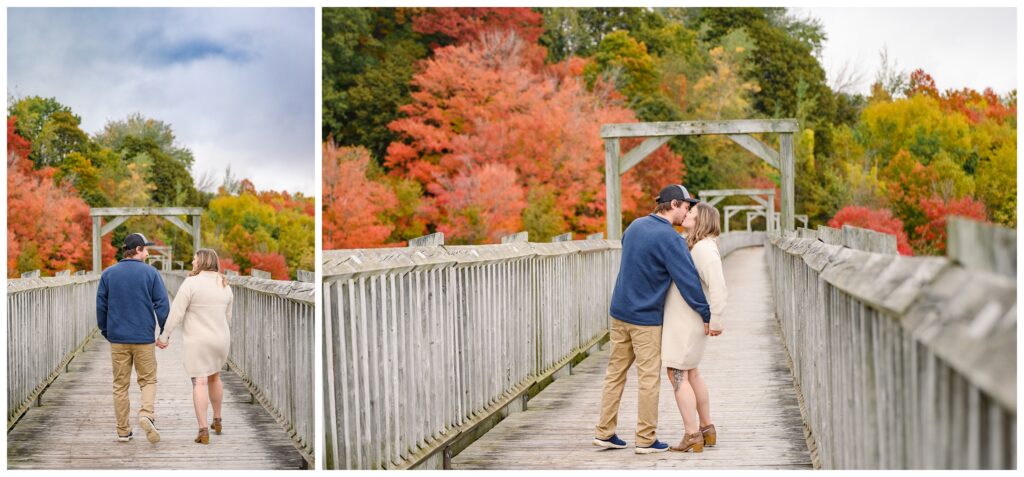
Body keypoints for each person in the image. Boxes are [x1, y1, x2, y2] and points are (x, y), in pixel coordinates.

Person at [594, 184, 711, 454]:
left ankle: (604, 432)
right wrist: (705, 312)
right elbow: (688, 280)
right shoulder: (670, 238)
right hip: (645, 317)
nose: (688, 213)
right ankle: (645, 438)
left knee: (615, 374)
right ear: (673, 205)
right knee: (648, 378)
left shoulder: (634, 226)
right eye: (686, 207)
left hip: (619, 312)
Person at [662, 202, 728, 453]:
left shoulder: (703, 249)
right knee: (691, 373)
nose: (687, 213)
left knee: (677, 373)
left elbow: (719, 286)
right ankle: (706, 428)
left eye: (693, 213)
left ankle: (692, 434)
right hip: (688, 319)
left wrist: (716, 319)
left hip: (686, 321)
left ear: (703, 220)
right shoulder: (699, 245)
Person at [97, 232, 169, 444]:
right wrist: (164, 332)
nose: (147, 252)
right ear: (137, 250)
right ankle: (146, 414)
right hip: (143, 338)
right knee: (148, 380)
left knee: (120, 385)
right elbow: (162, 304)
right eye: (145, 248)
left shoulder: (108, 274)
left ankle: (123, 431)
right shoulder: (151, 273)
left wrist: (106, 331)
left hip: (118, 338)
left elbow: (101, 306)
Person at [157, 249, 234, 445]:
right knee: (215, 376)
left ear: (202, 261)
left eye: (195, 258)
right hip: (221, 338)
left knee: (199, 382)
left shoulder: (191, 283)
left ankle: (203, 430)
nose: (192, 261)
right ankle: (217, 420)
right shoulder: (224, 283)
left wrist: (165, 336)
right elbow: (228, 316)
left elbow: (176, 313)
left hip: (198, 340)